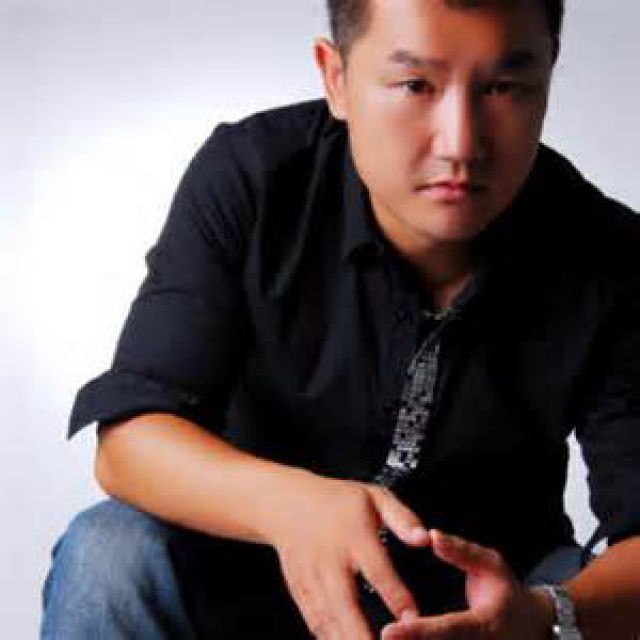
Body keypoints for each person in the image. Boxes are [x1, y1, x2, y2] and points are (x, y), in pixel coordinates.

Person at [41, 0, 640, 638]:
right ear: (336, 78)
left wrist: (544, 618)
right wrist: (292, 505)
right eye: (415, 85)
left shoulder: (611, 254)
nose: (461, 144)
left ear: (548, 73)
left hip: (489, 596)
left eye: (503, 87)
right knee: (109, 551)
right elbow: (129, 444)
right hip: (249, 571)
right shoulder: (254, 178)